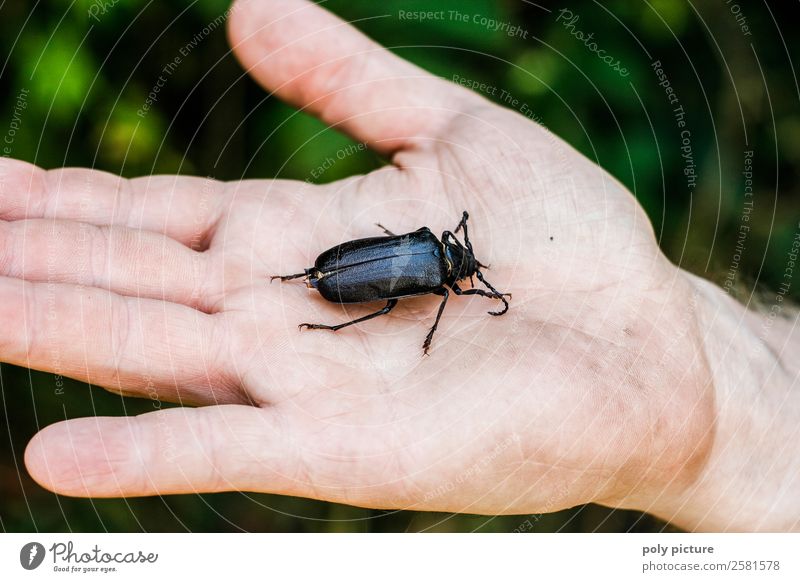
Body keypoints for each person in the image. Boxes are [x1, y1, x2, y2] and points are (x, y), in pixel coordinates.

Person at [0, 0, 797, 532]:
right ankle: (309, 300)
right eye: (466, 269)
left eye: (464, 270)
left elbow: (435, 265)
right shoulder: (439, 274)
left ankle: (307, 299)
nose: (467, 277)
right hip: (350, 272)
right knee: (388, 303)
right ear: (455, 265)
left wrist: (725, 415)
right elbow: (441, 281)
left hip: (351, 267)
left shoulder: (434, 258)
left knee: (381, 295)